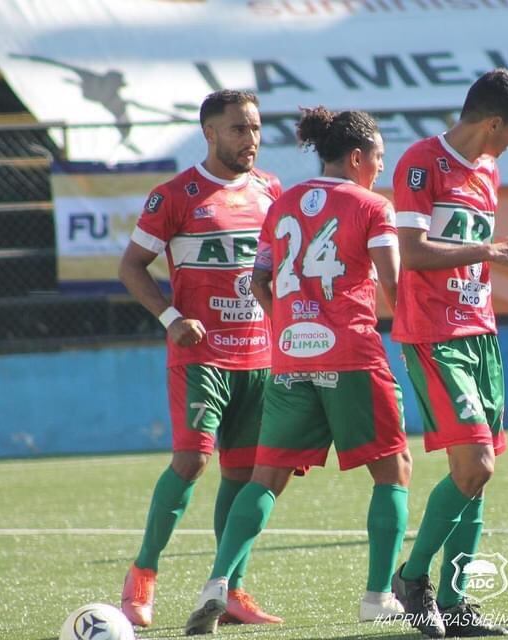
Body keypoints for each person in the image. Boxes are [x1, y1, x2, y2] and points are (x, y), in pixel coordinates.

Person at [183, 106, 413, 635]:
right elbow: (395, 288)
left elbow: (260, 280)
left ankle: (218, 582)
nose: (380, 167)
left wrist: (290, 324)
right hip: (352, 354)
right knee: (393, 470)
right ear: (358, 157)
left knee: (266, 478)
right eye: (378, 157)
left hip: (289, 357)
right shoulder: (372, 206)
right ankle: (378, 595)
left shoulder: (282, 202)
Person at [388, 68, 508, 639]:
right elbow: (413, 252)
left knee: (480, 473)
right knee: (474, 464)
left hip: (479, 333)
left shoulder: (489, 168)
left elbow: (479, 254)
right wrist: (490, 248)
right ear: (493, 122)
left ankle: (455, 608)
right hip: (433, 334)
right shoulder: (419, 162)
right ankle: (412, 580)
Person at [118, 90, 283, 628]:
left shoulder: (271, 191)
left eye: (255, 128)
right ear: (209, 133)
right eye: (239, 129)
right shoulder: (176, 195)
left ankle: (229, 588)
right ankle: (142, 575)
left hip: (259, 356)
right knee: (192, 461)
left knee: (243, 474)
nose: (250, 139)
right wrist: (171, 318)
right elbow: (133, 267)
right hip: (201, 357)